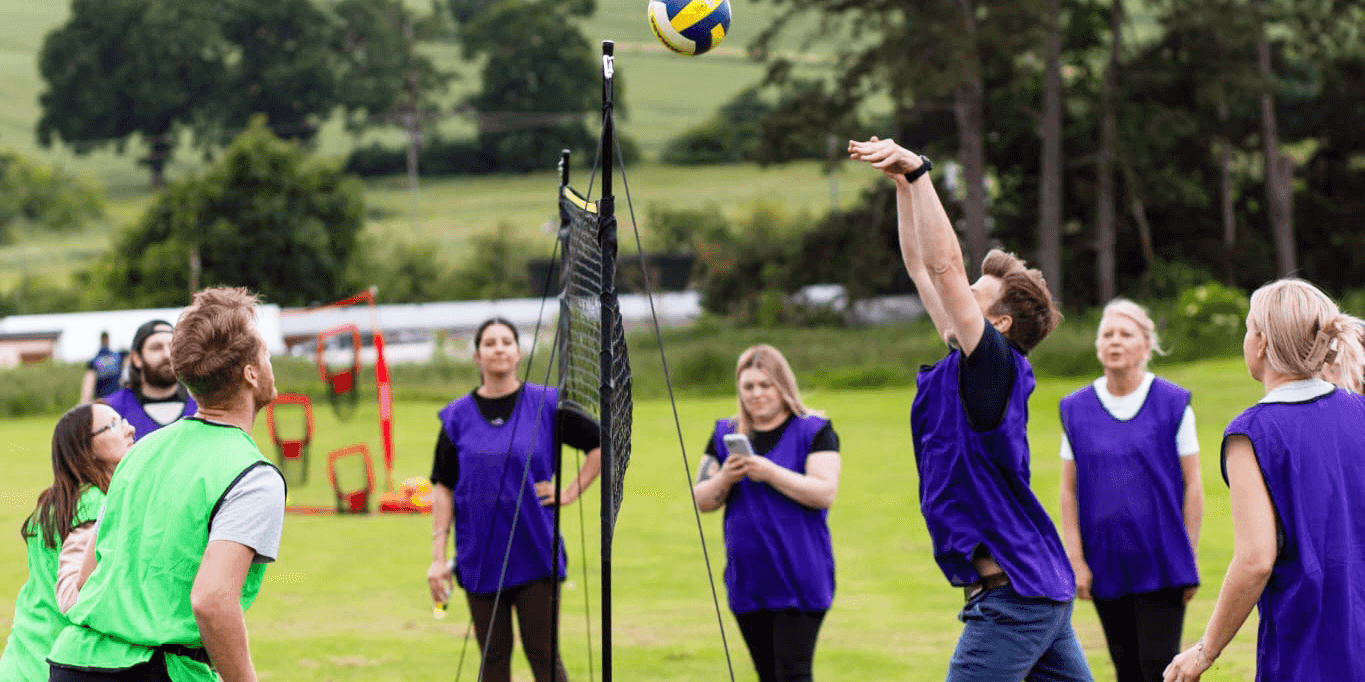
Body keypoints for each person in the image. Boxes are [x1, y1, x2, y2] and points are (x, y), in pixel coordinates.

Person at [848, 136, 1090, 681]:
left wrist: (920, 174)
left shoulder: (995, 367)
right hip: (1033, 591)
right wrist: (903, 189)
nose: (960, 294)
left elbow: (944, 267)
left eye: (977, 294)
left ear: (1000, 325)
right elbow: (919, 265)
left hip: (1013, 601)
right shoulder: (964, 362)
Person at [47, 287, 286, 682]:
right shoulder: (253, 476)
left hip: (73, 661)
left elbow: (88, 576)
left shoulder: (141, 450)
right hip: (152, 670)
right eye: (266, 355)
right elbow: (212, 601)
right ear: (251, 372)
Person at [1163, 278, 1365, 682]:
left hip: (1308, 646)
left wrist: (1205, 652)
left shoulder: (1253, 432)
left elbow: (1255, 560)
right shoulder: (1359, 410)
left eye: (1248, 327)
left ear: (1261, 342)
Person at [426, 318, 602, 682]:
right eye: (490, 343)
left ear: (519, 353)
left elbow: (601, 445)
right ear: (477, 356)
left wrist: (569, 492)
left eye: (507, 341)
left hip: (536, 551)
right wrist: (438, 559)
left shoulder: (548, 404)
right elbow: (442, 486)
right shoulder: (457, 417)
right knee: (492, 659)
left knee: (543, 656)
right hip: (479, 557)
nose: (499, 348)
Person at [1057, 299, 1202, 682]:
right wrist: (1076, 560)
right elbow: (1068, 491)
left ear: (1146, 344)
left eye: (1126, 334)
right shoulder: (1075, 409)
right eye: (1107, 334)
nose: (1115, 342)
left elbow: (1194, 484)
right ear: (1097, 345)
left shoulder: (1173, 404)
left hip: (1162, 561)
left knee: (1159, 669)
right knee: (1127, 670)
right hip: (1105, 562)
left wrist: (1188, 555)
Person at [692, 345, 841, 682]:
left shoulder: (814, 430)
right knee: (766, 674)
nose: (756, 394)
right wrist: (726, 477)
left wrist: (769, 472)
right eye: (748, 386)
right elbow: (702, 499)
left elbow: (824, 492)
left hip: (799, 576)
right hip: (749, 579)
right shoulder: (725, 433)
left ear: (782, 386)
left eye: (765, 385)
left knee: (792, 674)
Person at [0, 404, 134, 681]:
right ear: (87, 448)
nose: (129, 428)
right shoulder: (94, 506)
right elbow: (73, 595)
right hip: (56, 663)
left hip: (23, 657)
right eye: (113, 425)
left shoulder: (56, 503)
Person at [104, 320, 197, 440]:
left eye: (173, 347)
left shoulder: (204, 406)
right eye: (156, 348)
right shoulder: (113, 410)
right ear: (137, 358)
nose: (167, 354)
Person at [79, 332, 125, 404]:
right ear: (108, 340)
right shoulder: (118, 356)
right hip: (118, 399)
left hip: (103, 401)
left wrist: (84, 402)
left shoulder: (95, 360)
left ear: (101, 340)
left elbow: (89, 382)